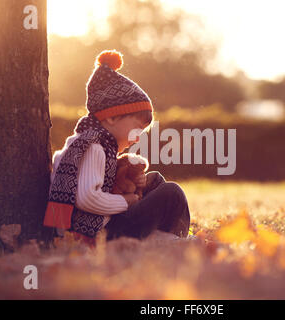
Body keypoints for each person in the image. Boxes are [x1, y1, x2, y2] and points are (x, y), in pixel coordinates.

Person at [43, 50, 190, 245]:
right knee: (171, 192)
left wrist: (128, 176)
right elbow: (87, 199)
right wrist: (128, 201)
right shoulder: (93, 147)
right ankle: (171, 239)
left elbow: (100, 182)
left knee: (154, 180)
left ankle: (161, 235)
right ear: (111, 117)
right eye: (137, 128)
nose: (138, 138)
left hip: (104, 224)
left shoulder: (92, 142)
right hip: (99, 233)